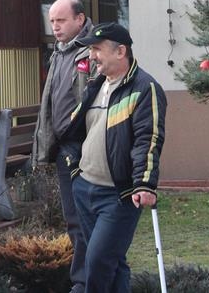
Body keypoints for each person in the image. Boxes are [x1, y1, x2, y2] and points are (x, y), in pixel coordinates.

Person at [64, 23, 166, 293]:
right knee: (113, 263)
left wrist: (144, 183)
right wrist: (74, 169)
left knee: (97, 261)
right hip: (85, 188)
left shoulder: (145, 88)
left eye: (97, 49)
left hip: (118, 195)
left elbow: (148, 138)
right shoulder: (95, 86)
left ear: (121, 51)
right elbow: (76, 130)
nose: (91, 56)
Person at [31, 0, 93, 293]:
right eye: (52, 21)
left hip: (84, 148)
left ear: (80, 19)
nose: (55, 27)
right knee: (73, 220)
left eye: (61, 20)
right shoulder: (59, 52)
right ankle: (83, 280)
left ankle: (88, 281)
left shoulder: (91, 51)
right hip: (63, 150)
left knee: (86, 218)